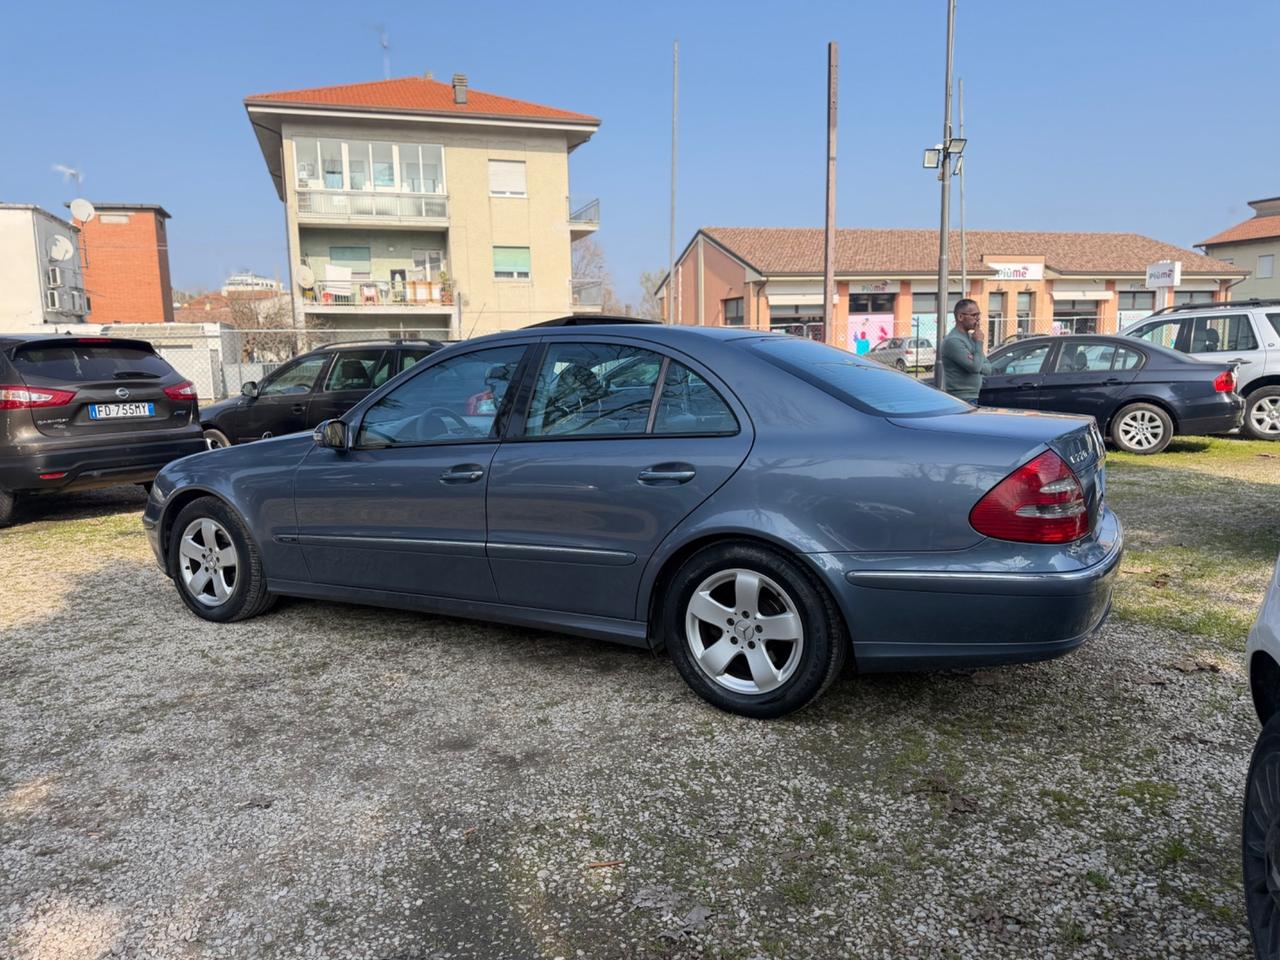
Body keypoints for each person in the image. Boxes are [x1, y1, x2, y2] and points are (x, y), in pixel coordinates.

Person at [940, 298, 992, 401]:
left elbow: (988, 369)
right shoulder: (953, 340)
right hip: (961, 398)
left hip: (972, 396)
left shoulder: (971, 338)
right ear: (960, 317)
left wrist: (976, 360)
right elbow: (975, 368)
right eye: (974, 315)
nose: (978, 319)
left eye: (979, 315)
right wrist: (979, 342)